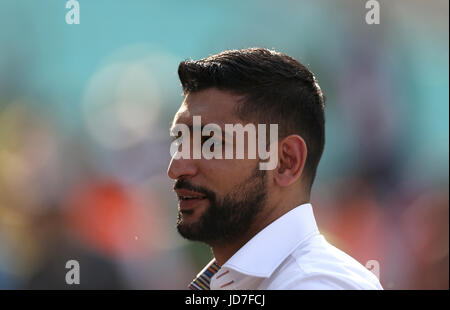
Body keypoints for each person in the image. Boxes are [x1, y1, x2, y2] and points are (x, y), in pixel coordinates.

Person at [167, 47, 383, 290]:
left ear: (285, 162)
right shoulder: (239, 282)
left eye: (212, 142)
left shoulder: (316, 283)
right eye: (179, 141)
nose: (176, 168)